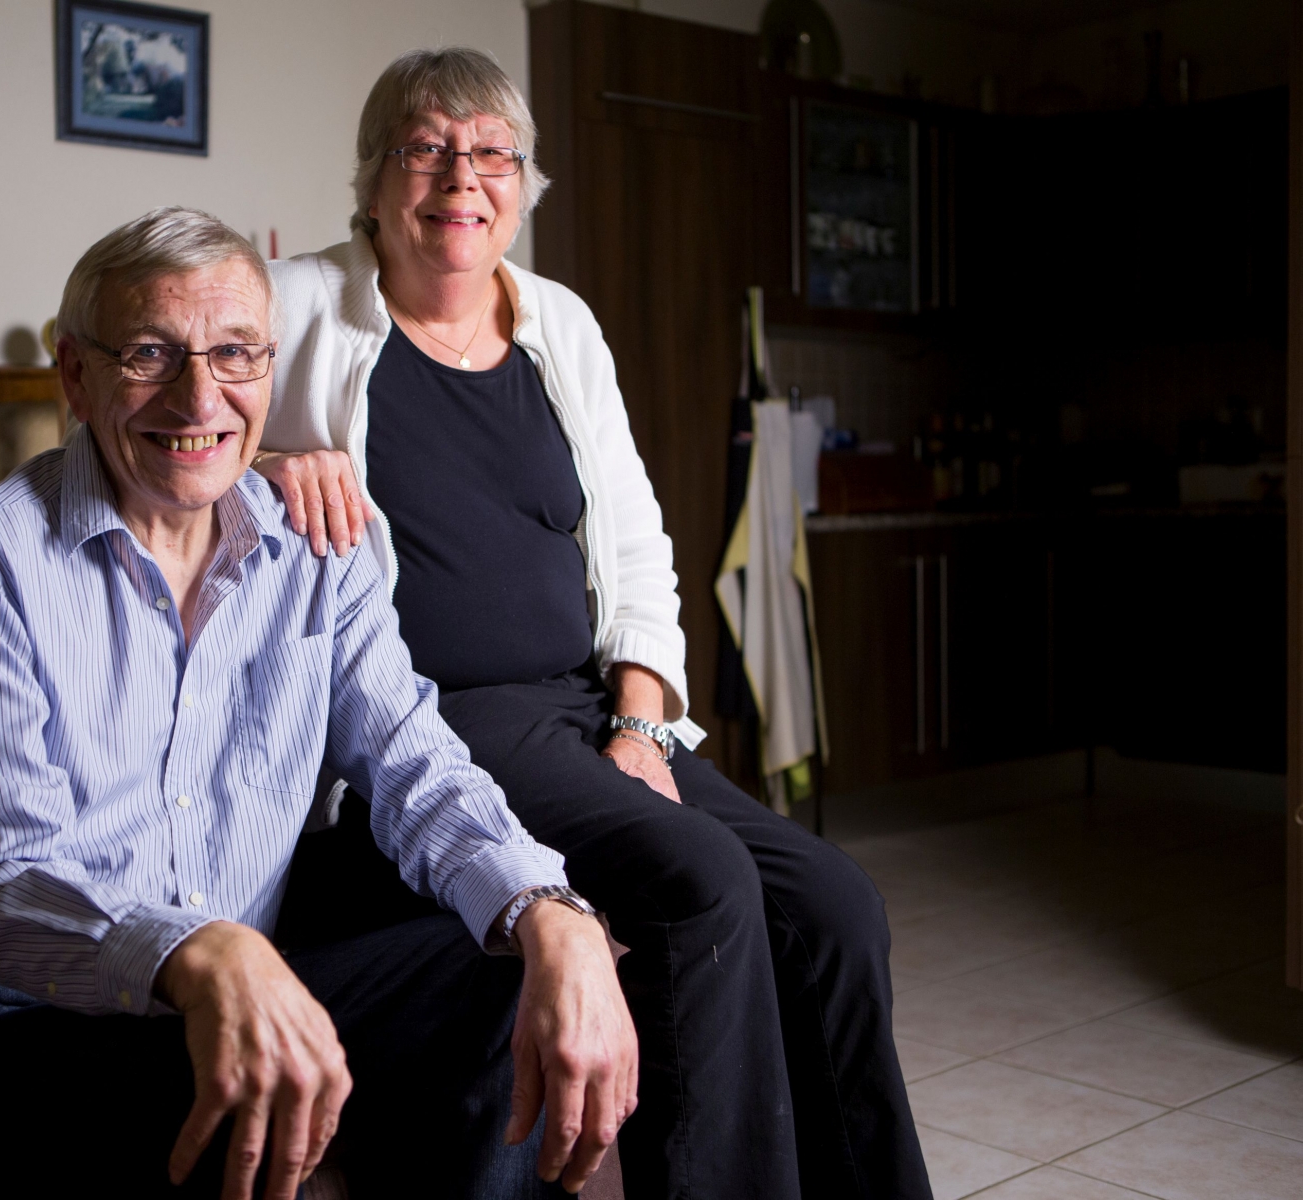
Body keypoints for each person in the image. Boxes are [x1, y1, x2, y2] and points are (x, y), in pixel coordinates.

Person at [255, 49, 932, 1200]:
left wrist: (641, 720)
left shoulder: (557, 322)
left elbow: (633, 542)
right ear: (372, 181)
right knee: (702, 881)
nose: (460, 176)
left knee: (833, 905)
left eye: (491, 152)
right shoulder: (298, 301)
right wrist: (269, 461)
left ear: (522, 184)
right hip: (436, 720)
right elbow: (162, 420)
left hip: (579, 707)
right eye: (425, 149)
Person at [0, 207, 638, 1200]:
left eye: (236, 355)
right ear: (76, 377)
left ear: (270, 370)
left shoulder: (322, 550)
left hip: (222, 978)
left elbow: (414, 761)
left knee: (503, 978)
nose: (200, 398)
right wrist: (199, 946)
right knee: (212, 1087)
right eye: (151, 353)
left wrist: (548, 908)